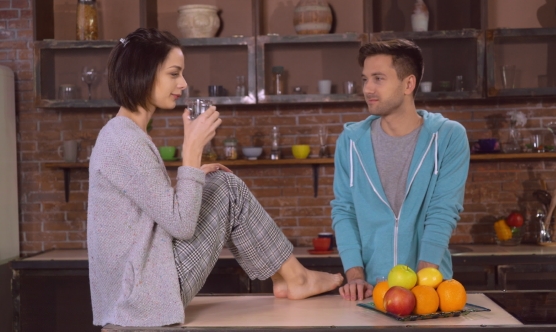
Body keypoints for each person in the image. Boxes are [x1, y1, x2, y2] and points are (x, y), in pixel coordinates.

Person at [87, 28, 343, 327]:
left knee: (219, 182)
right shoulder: (124, 139)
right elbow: (180, 225)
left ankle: (289, 278)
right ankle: (295, 278)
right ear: (143, 73)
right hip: (144, 299)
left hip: (140, 291)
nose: (182, 83)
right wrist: (193, 150)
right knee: (227, 187)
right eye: (174, 73)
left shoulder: (123, 133)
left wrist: (193, 174)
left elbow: (151, 209)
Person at [331, 39, 470, 301]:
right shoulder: (350, 142)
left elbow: (442, 212)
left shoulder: (449, 137)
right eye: (365, 79)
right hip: (370, 293)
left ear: (408, 84)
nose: (368, 88)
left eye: (378, 78)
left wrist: (423, 288)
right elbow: (344, 210)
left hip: (430, 292)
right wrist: (355, 278)